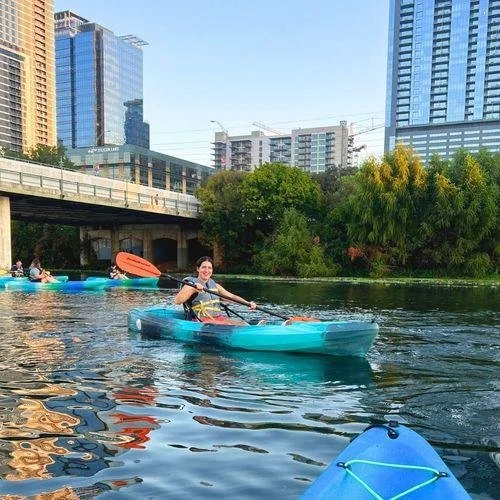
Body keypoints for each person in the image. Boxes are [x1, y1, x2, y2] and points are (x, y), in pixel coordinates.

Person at [174, 256, 258, 325]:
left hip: (218, 319)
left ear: (212, 270)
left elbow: (231, 297)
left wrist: (248, 303)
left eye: (209, 268)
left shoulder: (215, 286)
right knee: (228, 325)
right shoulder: (191, 284)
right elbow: (177, 300)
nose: (207, 271)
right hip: (201, 322)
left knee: (243, 324)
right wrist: (193, 289)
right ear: (198, 269)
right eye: (203, 267)